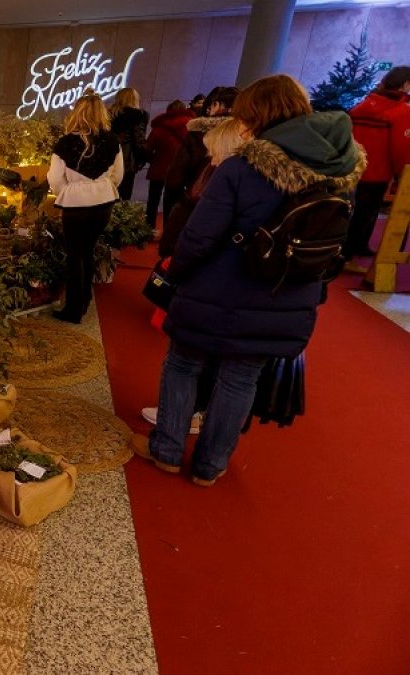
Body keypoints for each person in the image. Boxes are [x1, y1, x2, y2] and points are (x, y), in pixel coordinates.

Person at [134, 74, 364, 487]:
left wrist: (176, 275)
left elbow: (200, 235)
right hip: (286, 294)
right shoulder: (340, 174)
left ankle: (167, 449)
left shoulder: (243, 167)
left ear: (259, 116)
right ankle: (210, 465)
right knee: (241, 378)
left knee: (184, 364)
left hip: (217, 289)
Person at [142, 119, 247, 435]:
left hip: (206, 283)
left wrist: (178, 265)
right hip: (217, 284)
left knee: (187, 360)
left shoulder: (226, 183)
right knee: (208, 363)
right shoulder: (239, 181)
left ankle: (177, 426)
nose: (211, 159)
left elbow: (202, 236)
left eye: (214, 153)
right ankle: (193, 421)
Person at [47, 94, 124, 324]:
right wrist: (99, 186)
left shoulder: (65, 143)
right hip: (103, 202)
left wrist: (71, 191)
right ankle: (84, 300)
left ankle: (73, 310)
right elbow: (118, 176)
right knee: (88, 251)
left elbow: (55, 178)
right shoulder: (112, 141)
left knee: (75, 255)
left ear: (77, 113)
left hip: (76, 204)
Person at [343, 66, 410, 272]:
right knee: (364, 214)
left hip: (354, 167)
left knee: (356, 211)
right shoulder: (401, 111)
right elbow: (401, 147)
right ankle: (347, 258)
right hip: (378, 170)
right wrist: (402, 175)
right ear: (405, 85)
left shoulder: (366, 104)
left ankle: (358, 247)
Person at [164, 86, 238, 219]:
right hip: (231, 210)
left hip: (196, 202)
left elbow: (175, 176)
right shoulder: (249, 135)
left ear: (216, 105)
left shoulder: (198, 133)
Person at [144, 100, 196, 231]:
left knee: (153, 202)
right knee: (172, 203)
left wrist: (153, 159)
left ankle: (148, 228)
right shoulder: (191, 128)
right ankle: (168, 230)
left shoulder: (159, 127)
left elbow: (147, 148)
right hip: (179, 172)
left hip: (158, 169)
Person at [109, 87, 150, 200]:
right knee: (124, 197)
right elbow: (139, 140)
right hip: (127, 160)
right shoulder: (138, 116)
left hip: (108, 159)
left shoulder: (109, 114)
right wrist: (145, 157)